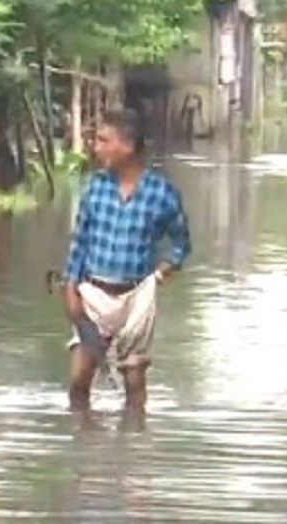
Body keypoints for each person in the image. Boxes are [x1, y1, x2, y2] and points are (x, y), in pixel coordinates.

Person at [61, 109, 191, 413]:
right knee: (79, 381)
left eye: (105, 141)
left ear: (128, 146)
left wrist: (161, 272)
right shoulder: (94, 187)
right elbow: (79, 243)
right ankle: (83, 449)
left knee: (134, 383)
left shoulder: (161, 193)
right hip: (93, 291)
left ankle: (132, 449)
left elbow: (182, 243)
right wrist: (70, 288)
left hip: (137, 295)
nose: (97, 147)